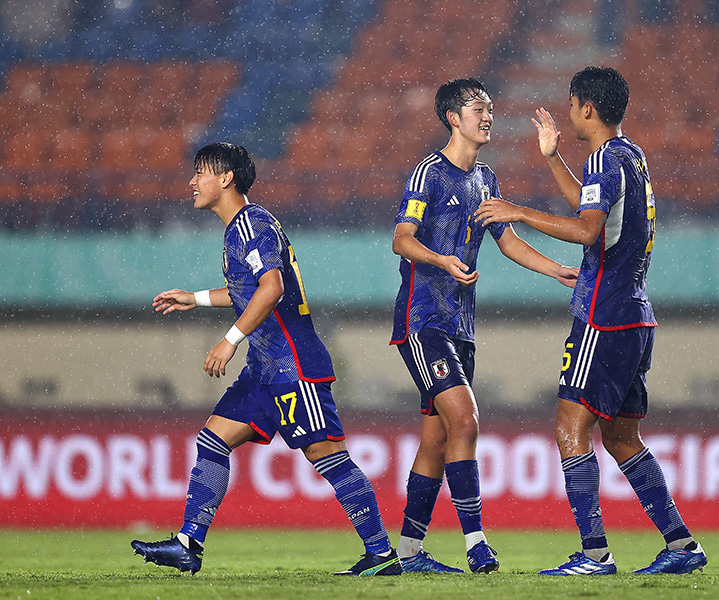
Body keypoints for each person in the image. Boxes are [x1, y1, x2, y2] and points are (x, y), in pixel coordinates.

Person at [474, 66, 707, 575]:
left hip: (603, 316)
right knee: (622, 439)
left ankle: (595, 554)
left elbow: (586, 230)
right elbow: (594, 210)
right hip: (634, 313)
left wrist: (517, 210)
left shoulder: (605, 158)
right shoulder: (630, 156)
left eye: (572, 102)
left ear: (587, 109)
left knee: (569, 426)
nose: (569, 110)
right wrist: (554, 157)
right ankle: (682, 546)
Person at [131, 142, 400, 577]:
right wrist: (195, 298)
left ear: (225, 179)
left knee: (326, 455)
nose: (192, 181)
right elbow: (248, 291)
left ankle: (382, 555)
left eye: (201, 172)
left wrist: (230, 340)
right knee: (213, 440)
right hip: (265, 368)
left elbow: (271, 287)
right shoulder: (238, 228)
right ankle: (188, 544)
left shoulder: (250, 224)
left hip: (293, 365)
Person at [390, 78, 579, 574]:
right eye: (479, 108)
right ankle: (477, 543)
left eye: (491, 107)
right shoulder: (429, 173)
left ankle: (408, 553)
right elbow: (401, 240)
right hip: (422, 319)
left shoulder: (486, 179)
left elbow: (508, 241)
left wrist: (554, 267)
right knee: (467, 421)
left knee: (436, 440)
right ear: (454, 117)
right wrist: (441, 259)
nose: (488, 115)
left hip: (461, 325)